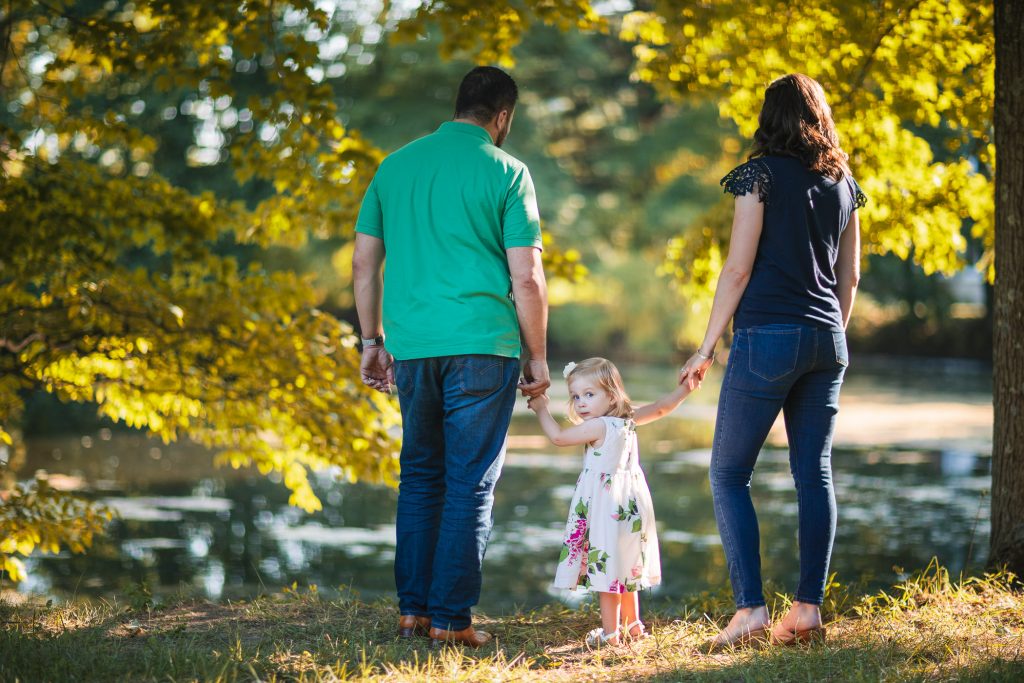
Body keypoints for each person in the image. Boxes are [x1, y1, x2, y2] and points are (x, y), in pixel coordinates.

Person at [351, 65, 550, 649]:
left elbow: (365, 264)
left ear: (458, 103)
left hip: (412, 349)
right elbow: (528, 277)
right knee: (469, 485)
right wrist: (537, 356)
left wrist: (372, 341)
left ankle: (413, 613)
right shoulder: (510, 172)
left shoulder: (395, 166)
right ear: (503, 115)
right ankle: (452, 619)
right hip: (484, 347)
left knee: (419, 478)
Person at [679, 73, 865, 650]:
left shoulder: (757, 177)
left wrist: (706, 347)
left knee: (729, 474)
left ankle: (751, 610)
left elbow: (736, 269)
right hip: (826, 338)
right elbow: (849, 275)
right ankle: (807, 608)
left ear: (770, 118)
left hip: (766, 337)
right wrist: (834, 332)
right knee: (815, 475)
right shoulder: (843, 181)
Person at [526, 358, 697, 646]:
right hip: (630, 505)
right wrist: (685, 390)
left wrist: (542, 407)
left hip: (607, 509)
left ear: (612, 394)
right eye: (575, 396)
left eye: (589, 395)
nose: (580, 403)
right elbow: (661, 408)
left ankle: (610, 636)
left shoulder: (600, 426)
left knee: (606, 570)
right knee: (624, 565)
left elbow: (557, 437)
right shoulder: (626, 420)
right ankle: (633, 626)